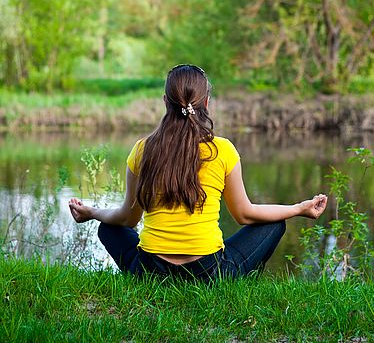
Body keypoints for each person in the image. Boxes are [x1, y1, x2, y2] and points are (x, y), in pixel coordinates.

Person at [69, 64, 327, 281]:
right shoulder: (222, 150)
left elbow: (127, 219)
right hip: (209, 272)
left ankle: (145, 277)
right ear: (206, 102)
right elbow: (245, 214)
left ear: (164, 102)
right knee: (273, 225)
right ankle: (236, 284)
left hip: (149, 272)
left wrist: (92, 213)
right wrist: (298, 208)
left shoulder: (141, 150)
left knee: (108, 228)